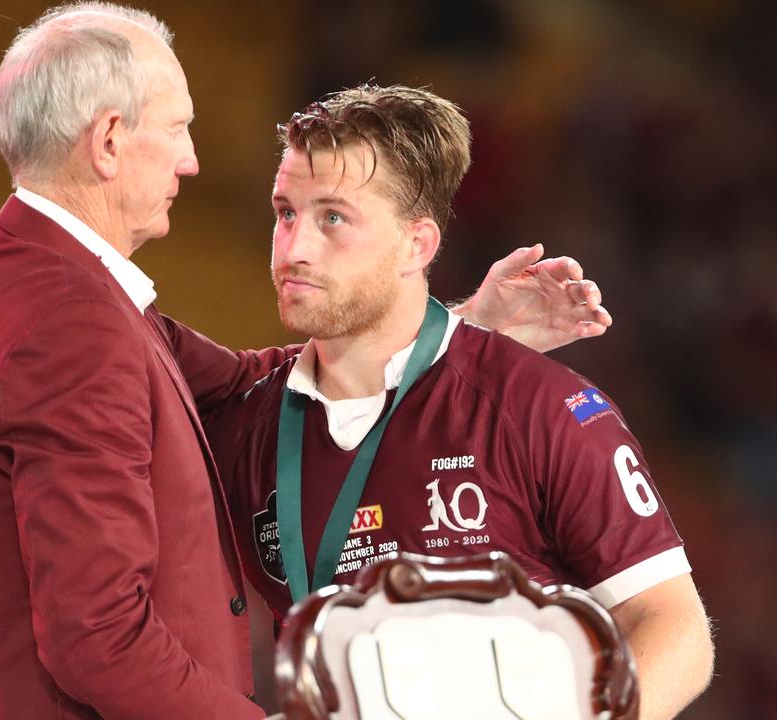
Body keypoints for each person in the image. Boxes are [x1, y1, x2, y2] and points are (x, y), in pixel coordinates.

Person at [0, 4, 611, 719]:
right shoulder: (72, 321)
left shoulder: (29, 278)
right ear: (107, 141)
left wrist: (460, 326)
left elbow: (246, 385)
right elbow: (96, 637)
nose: (191, 159)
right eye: (176, 129)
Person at [200, 85, 715, 720]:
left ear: (417, 245)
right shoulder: (246, 422)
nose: (294, 248)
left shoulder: (536, 407)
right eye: (285, 213)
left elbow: (674, 628)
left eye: (333, 217)